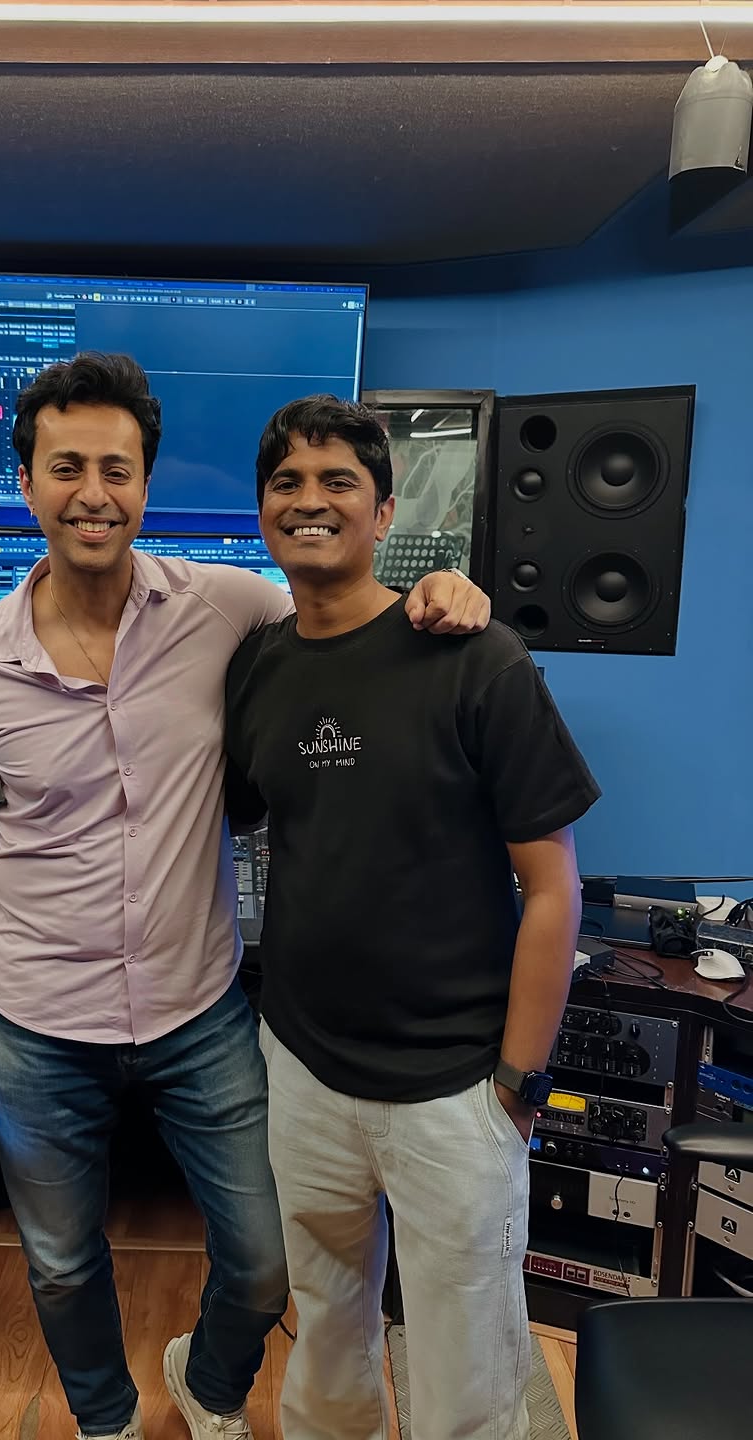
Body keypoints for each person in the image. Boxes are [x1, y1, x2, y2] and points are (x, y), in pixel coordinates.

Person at [0, 354, 492, 1440]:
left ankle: (210, 1383)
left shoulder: (224, 605)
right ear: (26, 484)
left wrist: (443, 589)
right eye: (67, 468)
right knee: (60, 1262)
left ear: (146, 484)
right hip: (39, 1022)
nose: (94, 493)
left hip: (199, 1011)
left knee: (267, 1259)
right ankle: (103, 1421)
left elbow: (347, 613)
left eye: (117, 469)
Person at [224, 396, 601, 1440]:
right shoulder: (256, 668)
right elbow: (249, 814)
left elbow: (554, 888)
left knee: (465, 1376)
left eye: (338, 481)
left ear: (384, 512)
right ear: (262, 510)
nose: (309, 501)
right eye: (287, 482)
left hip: (455, 1087)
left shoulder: (477, 657)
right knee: (325, 1336)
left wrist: (519, 1082)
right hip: (304, 1069)